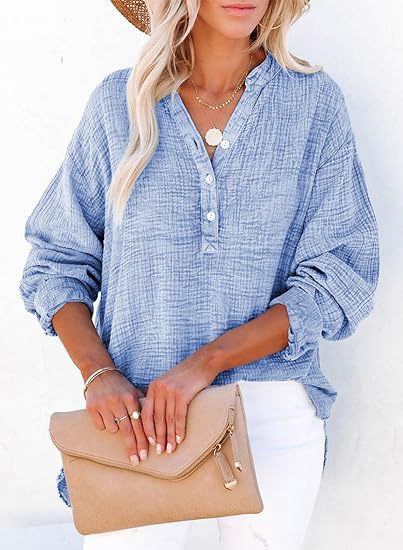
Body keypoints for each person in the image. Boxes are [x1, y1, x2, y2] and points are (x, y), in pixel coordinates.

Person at [18, 1, 380, 548]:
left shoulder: (313, 105)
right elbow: (56, 261)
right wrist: (98, 372)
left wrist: (206, 363)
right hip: (141, 421)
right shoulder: (119, 105)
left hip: (268, 413)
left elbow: (340, 274)